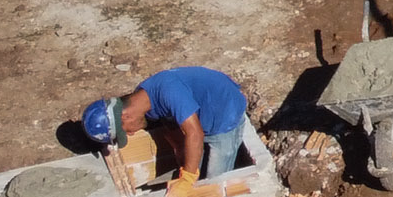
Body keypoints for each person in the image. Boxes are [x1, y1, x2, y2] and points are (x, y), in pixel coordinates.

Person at [82, 65, 264, 184]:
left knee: (214, 182)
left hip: (225, 114)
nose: (129, 134)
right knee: (191, 164)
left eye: (125, 132)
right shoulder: (143, 98)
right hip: (201, 117)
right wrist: (178, 147)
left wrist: (187, 179)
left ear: (126, 117)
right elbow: (169, 119)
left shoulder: (169, 91)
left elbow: (195, 134)